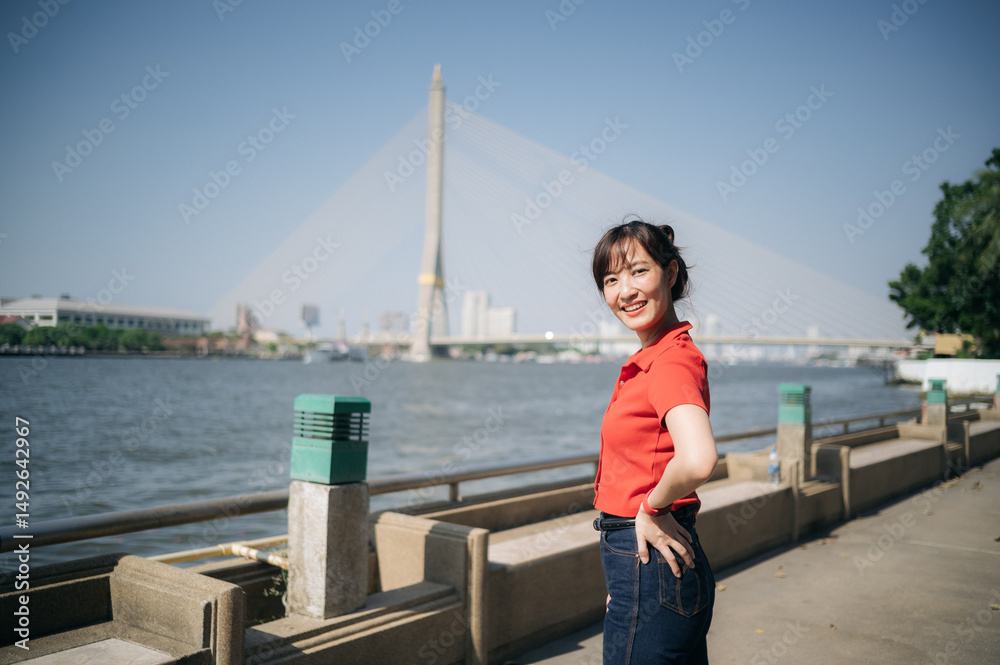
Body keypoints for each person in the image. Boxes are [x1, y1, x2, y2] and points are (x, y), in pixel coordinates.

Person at [591, 217, 718, 664]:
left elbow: (699, 459)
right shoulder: (656, 357)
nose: (624, 290)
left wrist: (651, 507)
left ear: (671, 272)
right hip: (650, 568)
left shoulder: (668, 362)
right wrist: (624, 582)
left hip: (650, 559)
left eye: (639, 271)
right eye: (611, 279)